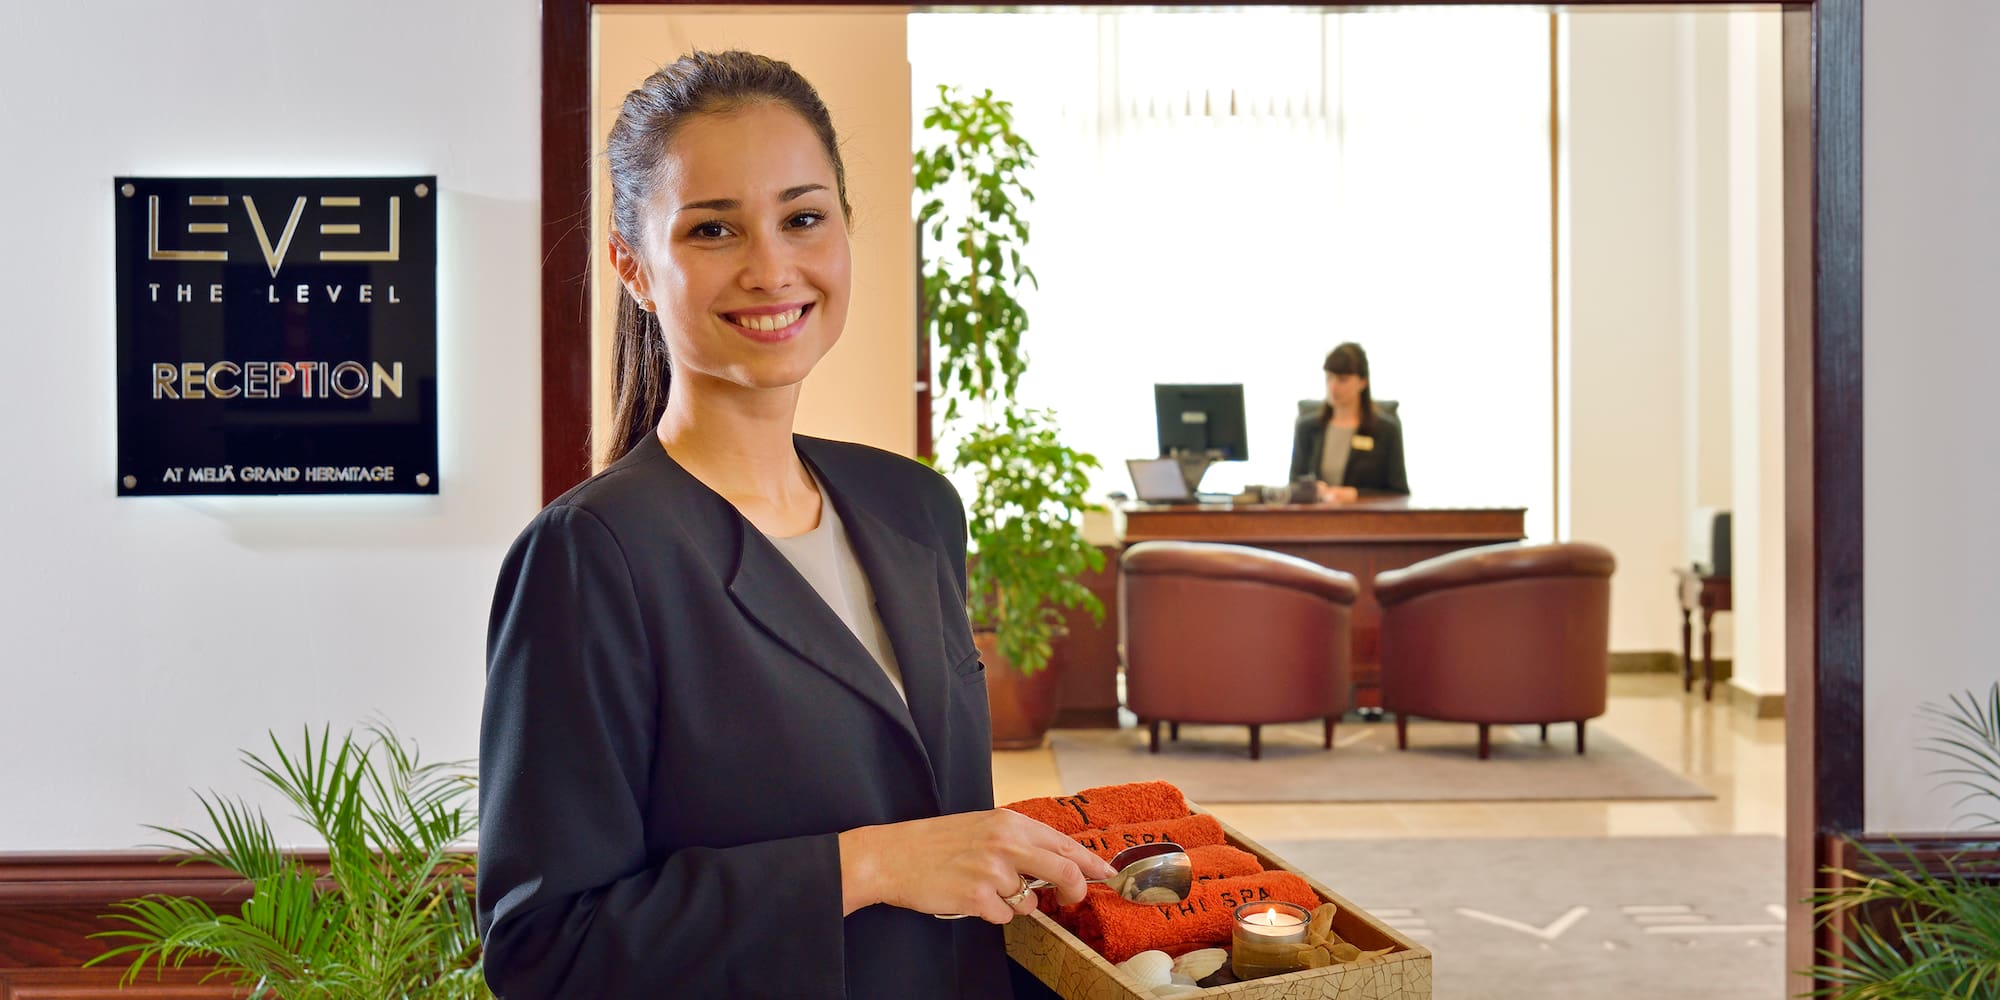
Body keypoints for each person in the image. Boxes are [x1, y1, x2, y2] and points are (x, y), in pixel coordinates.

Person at [475, 50, 1114, 999]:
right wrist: (869, 866)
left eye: (803, 218)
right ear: (633, 268)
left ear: (847, 229)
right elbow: (547, 952)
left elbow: (944, 834)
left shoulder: (915, 507)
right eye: (712, 230)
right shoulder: (593, 555)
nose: (771, 268)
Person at [1287, 342, 1409, 502]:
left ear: (1363, 382)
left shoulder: (1386, 430)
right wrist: (1312, 489)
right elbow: (1293, 486)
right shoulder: (1307, 427)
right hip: (1315, 521)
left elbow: (1398, 491)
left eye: (1342, 380)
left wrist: (1356, 494)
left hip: (1366, 521)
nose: (1333, 387)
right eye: (1329, 378)